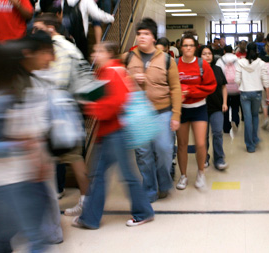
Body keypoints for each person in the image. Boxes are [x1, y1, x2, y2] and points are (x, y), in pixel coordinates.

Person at [0, 31, 55, 253]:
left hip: (21, 177)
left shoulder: (18, 94)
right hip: (6, 181)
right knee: (30, 237)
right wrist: (17, 145)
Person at [72, 41, 155, 229]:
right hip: (111, 132)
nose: (94, 53)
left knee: (119, 175)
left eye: (98, 50)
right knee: (102, 174)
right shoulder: (113, 70)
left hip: (113, 132)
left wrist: (92, 107)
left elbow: (116, 102)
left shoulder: (110, 71)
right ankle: (90, 218)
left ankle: (142, 212)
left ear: (108, 53)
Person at [30, 13, 90, 217]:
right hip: (64, 109)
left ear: (50, 28)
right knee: (71, 158)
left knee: (73, 158)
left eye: (38, 28)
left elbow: (59, 81)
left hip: (63, 111)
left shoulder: (60, 48)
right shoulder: (64, 46)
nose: (34, 32)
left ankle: (85, 201)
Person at [125, 18, 182, 202]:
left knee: (164, 150)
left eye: (146, 34)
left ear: (154, 39)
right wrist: (132, 78)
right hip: (139, 114)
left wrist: (176, 115)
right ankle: (149, 189)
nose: (141, 37)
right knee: (143, 155)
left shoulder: (166, 59)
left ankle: (163, 182)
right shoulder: (129, 57)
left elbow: (176, 88)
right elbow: (121, 83)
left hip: (162, 113)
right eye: (139, 34)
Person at [174, 32, 217, 190]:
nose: (188, 48)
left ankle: (201, 172)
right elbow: (170, 84)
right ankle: (183, 175)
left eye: (191, 45)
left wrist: (190, 91)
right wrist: (179, 92)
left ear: (196, 47)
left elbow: (211, 86)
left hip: (199, 107)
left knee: (200, 143)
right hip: (181, 109)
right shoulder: (175, 63)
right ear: (181, 47)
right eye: (185, 45)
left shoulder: (202, 64)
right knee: (182, 145)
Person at [199, 45, 229, 171]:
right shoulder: (197, 70)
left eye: (209, 53)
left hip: (217, 107)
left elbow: (223, 87)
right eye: (204, 54)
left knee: (217, 133)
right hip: (201, 108)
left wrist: (225, 103)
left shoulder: (217, 69)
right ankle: (204, 157)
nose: (208, 56)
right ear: (199, 56)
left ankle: (219, 159)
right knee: (203, 136)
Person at [235, 42, 269, 153]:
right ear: (257, 50)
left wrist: (242, 84)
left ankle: (250, 146)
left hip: (245, 92)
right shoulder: (262, 63)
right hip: (257, 93)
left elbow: (237, 79)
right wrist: (267, 96)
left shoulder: (240, 62)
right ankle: (255, 138)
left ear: (246, 51)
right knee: (255, 116)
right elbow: (266, 81)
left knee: (247, 118)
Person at [216, 47, 241, 134]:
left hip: (224, 88)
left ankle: (226, 128)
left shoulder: (220, 60)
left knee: (225, 108)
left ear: (224, 51)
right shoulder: (237, 60)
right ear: (233, 51)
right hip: (236, 87)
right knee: (235, 107)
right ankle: (235, 120)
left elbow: (218, 74)